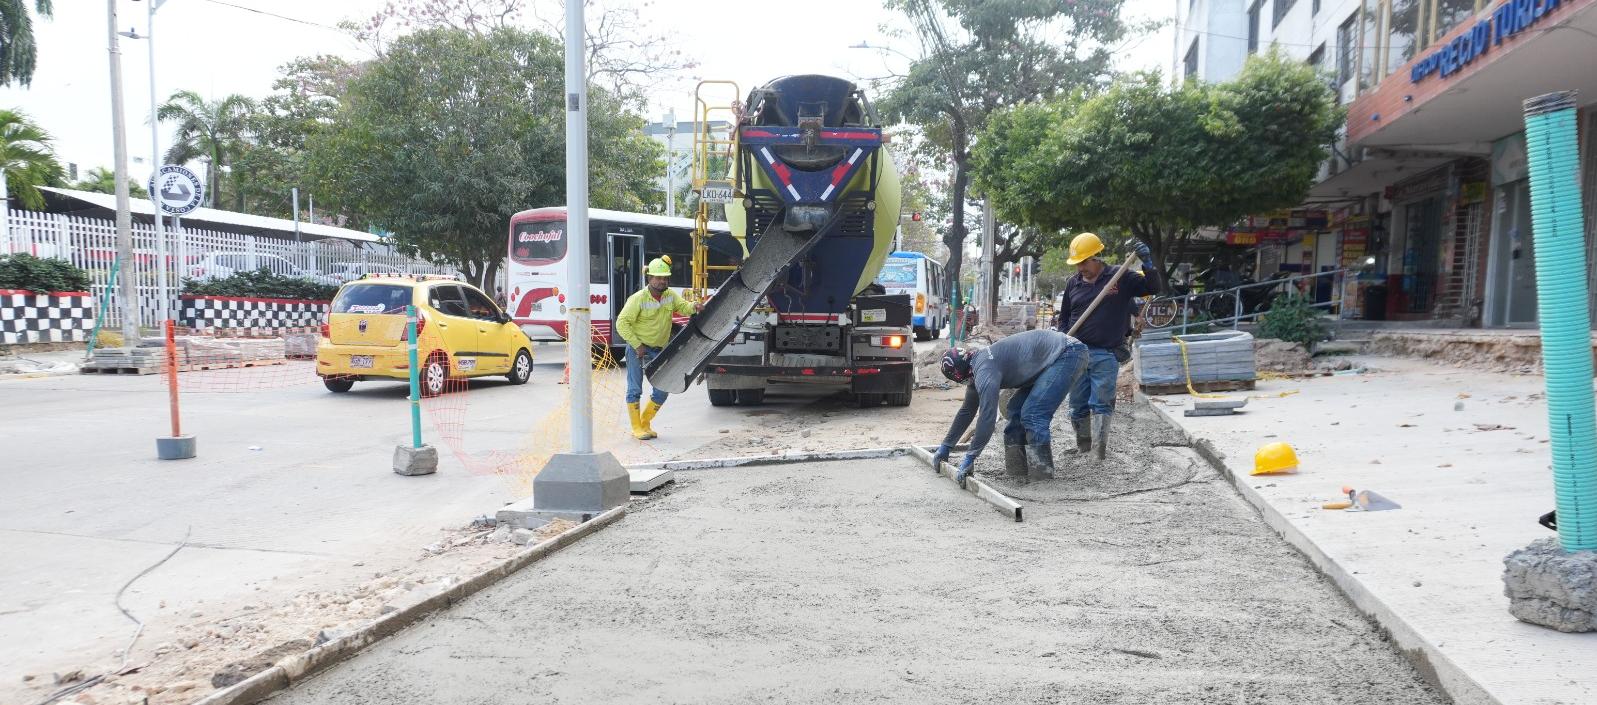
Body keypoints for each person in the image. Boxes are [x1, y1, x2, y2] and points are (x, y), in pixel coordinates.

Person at [930, 329, 1089, 487]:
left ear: (962, 374)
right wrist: (947, 445)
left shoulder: (985, 370)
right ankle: (1017, 472)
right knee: (1015, 410)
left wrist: (971, 456)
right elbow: (966, 411)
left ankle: (1042, 478)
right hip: (1051, 356)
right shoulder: (976, 364)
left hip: (1067, 353)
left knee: (1033, 413)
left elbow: (987, 417)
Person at [1056, 233, 1162, 459]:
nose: (1080, 268)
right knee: (1076, 403)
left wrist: (1148, 263)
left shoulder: (1120, 277)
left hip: (1106, 352)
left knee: (1101, 402)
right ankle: (1083, 446)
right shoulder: (1073, 283)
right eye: (1077, 263)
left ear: (1096, 257)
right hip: (1076, 353)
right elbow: (1064, 318)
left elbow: (1153, 287)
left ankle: (1098, 451)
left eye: (1083, 262)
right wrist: (1063, 339)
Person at [616, 255, 701, 440]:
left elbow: (684, 307)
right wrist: (637, 345)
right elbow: (622, 323)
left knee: (663, 389)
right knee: (634, 389)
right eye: (658, 277)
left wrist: (695, 306)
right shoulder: (637, 298)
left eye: (665, 278)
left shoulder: (670, 296)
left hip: (659, 350)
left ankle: (645, 423)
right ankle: (636, 428)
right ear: (649, 278)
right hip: (637, 349)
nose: (662, 281)